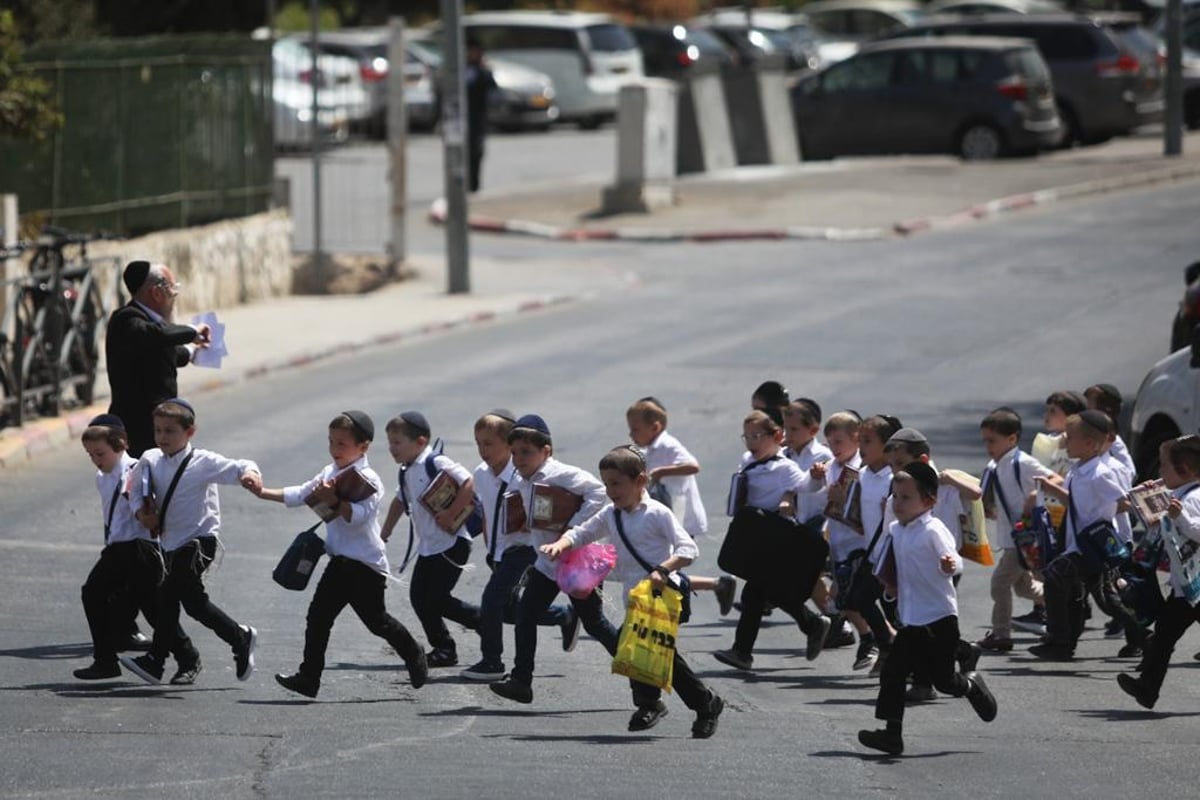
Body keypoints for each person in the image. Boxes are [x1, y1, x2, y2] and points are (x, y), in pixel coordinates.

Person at [541, 445, 725, 737]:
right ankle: (684, 703)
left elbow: (688, 549)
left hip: (662, 596)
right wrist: (561, 544)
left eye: (617, 483)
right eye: (606, 484)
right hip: (635, 597)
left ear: (640, 481)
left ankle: (678, 704)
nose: (611, 490)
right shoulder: (610, 515)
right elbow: (583, 532)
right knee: (641, 651)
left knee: (655, 652)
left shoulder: (656, 513)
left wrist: (663, 569)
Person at [251, 410, 429, 698]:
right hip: (339, 562)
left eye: (342, 444)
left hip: (365, 565)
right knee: (317, 618)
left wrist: (334, 499)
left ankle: (413, 651)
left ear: (363, 447)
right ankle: (309, 678)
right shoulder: (329, 472)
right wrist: (262, 492)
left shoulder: (367, 479)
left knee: (377, 621)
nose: (335, 450)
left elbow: (358, 517)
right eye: (331, 442)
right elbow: (300, 494)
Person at [857, 463, 997, 756]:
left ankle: (970, 686)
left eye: (906, 497)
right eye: (895, 497)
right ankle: (891, 735)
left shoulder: (934, 529)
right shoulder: (896, 529)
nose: (898, 503)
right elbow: (889, 563)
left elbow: (953, 560)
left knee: (944, 681)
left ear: (929, 501)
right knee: (893, 673)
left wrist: (948, 564)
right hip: (910, 619)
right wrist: (889, 584)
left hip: (939, 619)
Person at [120, 399, 262, 685]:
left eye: (170, 431)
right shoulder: (149, 459)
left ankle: (156, 660)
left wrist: (250, 474)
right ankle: (240, 637)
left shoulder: (203, 461)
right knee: (195, 605)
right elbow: (134, 490)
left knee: (168, 598)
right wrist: (140, 512)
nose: (163, 437)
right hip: (170, 546)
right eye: (158, 430)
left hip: (199, 543)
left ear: (190, 432)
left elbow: (239, 466)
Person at [488, 414, 613, 704]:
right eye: (515, 452)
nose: (519, 458)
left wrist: (574, 529)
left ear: (547, 451)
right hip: (547, 564)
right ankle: (521, 681)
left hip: (577, 561)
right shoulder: (522, 479)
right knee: (525, 615)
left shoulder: (560, 473)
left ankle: (642, 674)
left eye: (527, 452)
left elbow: (598, 492)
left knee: (595, 624)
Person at [461, 409, 579, 682]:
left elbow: (547, 509)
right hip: (499, 551)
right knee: (510, 610)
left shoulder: (523, 475)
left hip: (524, 550)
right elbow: (486, 511)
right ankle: (564, 615)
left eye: (489, 443)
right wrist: (490, 545)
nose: (482, 450)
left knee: (491, 601)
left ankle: (492, 661)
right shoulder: (481, 474)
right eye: (478, 443)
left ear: (509, 444)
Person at [74, 414, 193, 681]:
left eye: (100, 453)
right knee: (93, 594)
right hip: (117, 548)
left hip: (141, 549)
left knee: (153, 609)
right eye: (90, 455)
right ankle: (105, 661)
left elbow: (151, 510)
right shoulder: (101, 477)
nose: (96, 459)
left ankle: (188, 657)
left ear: (120, 444)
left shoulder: (137, 471)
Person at [712, 410, 831, 671]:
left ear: (777, 436)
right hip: (754, 535)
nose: (752, 442)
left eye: (757, 436)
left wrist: (815, 476)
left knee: (754, 593)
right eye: (747, 436)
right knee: (769, 591)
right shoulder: (748, 460)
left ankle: (742, 652)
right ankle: (811, 623)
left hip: (775, 539)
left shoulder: (783, 468)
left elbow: (805, 486)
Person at [380, 411, 480, 669]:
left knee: (436, 599)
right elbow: (400, 501)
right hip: (428, 547)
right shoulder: (406, 471)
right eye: (390, 442)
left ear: (420, 441)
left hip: (452, 543)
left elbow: (468, 481)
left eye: (397, 442)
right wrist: (385, 532)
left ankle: (481, 620)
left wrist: (451, 512)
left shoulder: (434, 461)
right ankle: (444, 648)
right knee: (419, 598)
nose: (392, 448)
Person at [1031, 411, 1127, 661]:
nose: (1065, 442)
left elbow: (1123, 502)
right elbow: (1075, 503)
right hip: (1076, 542)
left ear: (1089, 444)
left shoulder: (1101, 472)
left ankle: (1059, 639)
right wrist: (1053, 489)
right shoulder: (1077, 470)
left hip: (1091, 545)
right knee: (1098, 598)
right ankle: (1064, 643)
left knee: (1054, 579)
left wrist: (1104, 519)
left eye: (1070, 437)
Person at [626, 396, 735, 614]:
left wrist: (663, 471)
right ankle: (717, 585)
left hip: (681, 517)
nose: (632, 435)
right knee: (661, 566)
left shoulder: (667, 445)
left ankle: (678, 606)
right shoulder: (651, 449)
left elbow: (693, 465)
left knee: (664, 567)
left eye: (636, 429)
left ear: (655, 427)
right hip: (668, 515)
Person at [1117, 435, 1200, 709]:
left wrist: (1182, 518)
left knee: (1164, 636)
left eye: (1164, 466)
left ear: (1185, 471)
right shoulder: (1178, 495)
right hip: (1185, 587)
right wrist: (1147, 497)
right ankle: (1147, 688)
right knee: (1163, 635)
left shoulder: (1194, 499)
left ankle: (1147, 686)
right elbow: (1157, 525)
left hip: (1195, 585)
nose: (1159, 472)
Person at [105, 260, 211, 458]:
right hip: (137, 428)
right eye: (172, 289)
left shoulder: (152, 327)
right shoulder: (127, 319)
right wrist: (192, 331)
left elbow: (170, 351)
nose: (175, 295)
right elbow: (157, 335)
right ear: (156, 292)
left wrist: (193, 350)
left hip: (161, 426)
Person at [976, 407, 1052, 653]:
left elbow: (1056, 480)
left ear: (1012, 438)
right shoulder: (995, 465)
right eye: (985, 440)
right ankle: (1061, 601)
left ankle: (1001, 634)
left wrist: (1034, 493)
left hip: (1023, 536)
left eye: (992, 441)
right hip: (1012, 539)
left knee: (999, 583)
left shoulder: (1023, 462)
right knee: (1024, 588)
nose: (988, 446)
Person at [465, 37, 497, 193]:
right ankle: (463, 184)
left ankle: (474, 185)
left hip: (478, 118)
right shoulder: (460, 68)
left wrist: (485, 69)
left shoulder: (482, 70)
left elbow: (493, 87)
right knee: (462, 153)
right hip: (462, 118)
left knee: (477, 152)